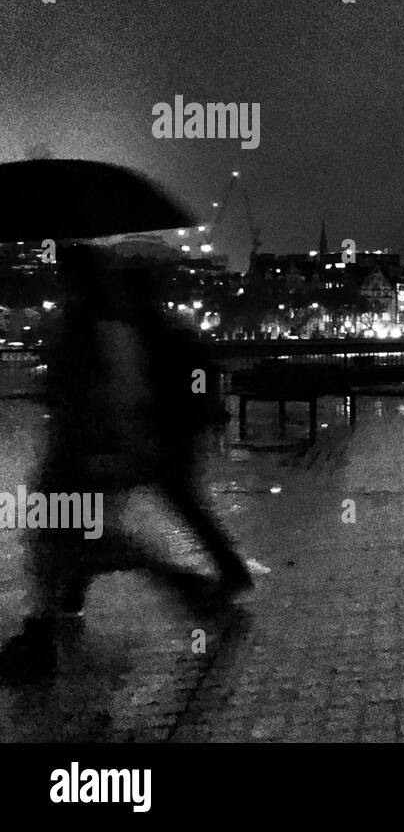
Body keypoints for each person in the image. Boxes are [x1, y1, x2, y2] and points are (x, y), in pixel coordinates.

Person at [0, 247, 251, 681]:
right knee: (73, 541)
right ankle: (53, 622)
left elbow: (115, 392)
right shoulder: (109, 325)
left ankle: (48, 630)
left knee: (68, 542)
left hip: (83, 456)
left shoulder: (96, 328)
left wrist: (116, 442)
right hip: (91, 454)